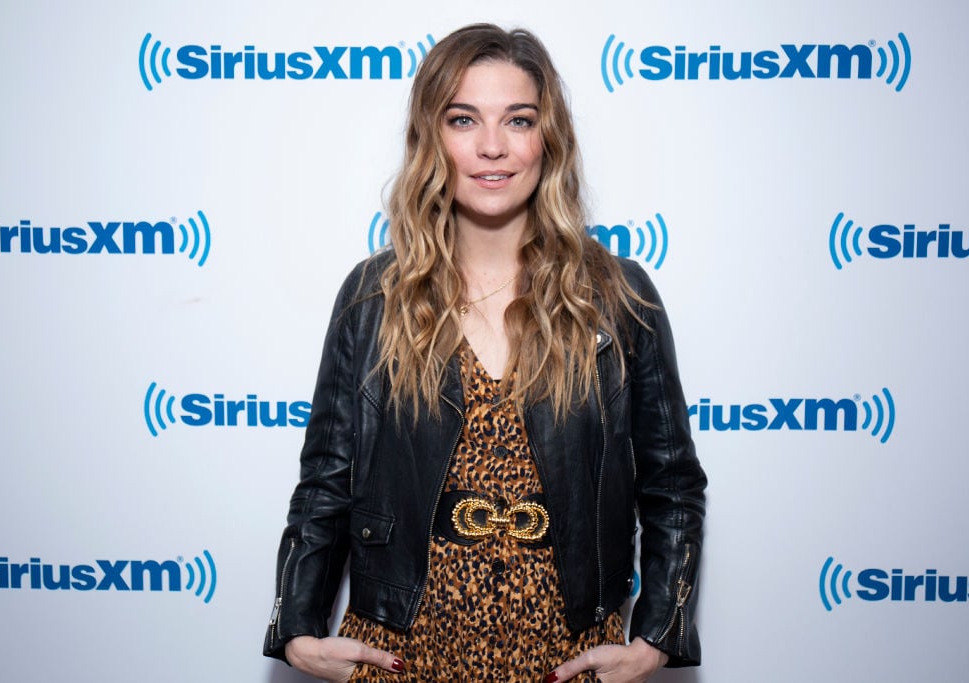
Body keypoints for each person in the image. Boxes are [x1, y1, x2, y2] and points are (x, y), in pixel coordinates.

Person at [264, 23, 706, 683]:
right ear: (430, 139)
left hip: (564, 656)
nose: (492, 146)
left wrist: (659, 633)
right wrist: (296, 624)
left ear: (547, 139)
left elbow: (671, 484)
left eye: (518, 120)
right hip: (402, 656)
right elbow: (327, 479)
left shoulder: (617, 297)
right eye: (464, 119)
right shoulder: (373, 296)